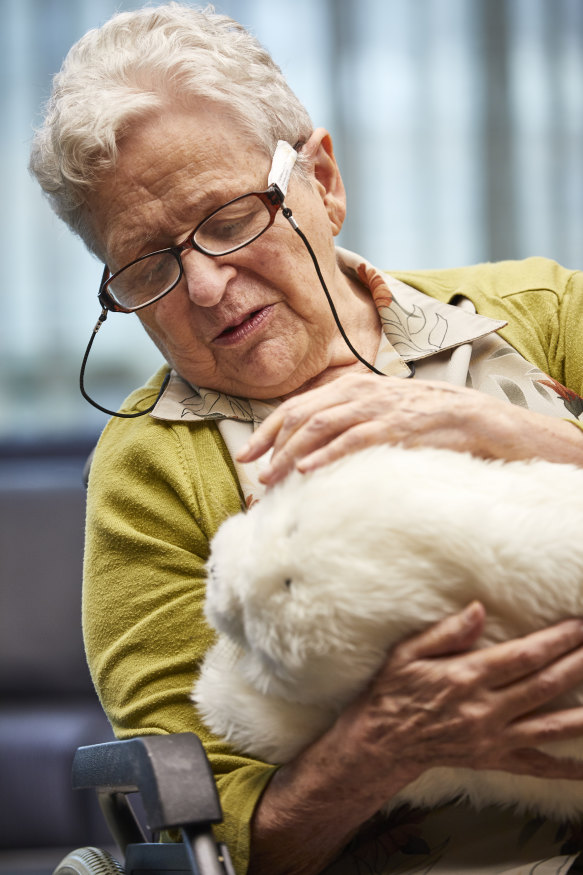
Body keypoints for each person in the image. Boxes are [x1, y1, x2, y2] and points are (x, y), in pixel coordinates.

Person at [30, 4, 583, 874]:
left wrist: (498, 428)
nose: (205, 287)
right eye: (147, 266)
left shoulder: (537, 312)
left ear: (321, 181)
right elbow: (214, 836)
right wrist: (388, 742)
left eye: (226, 220)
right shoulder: (151, 469)